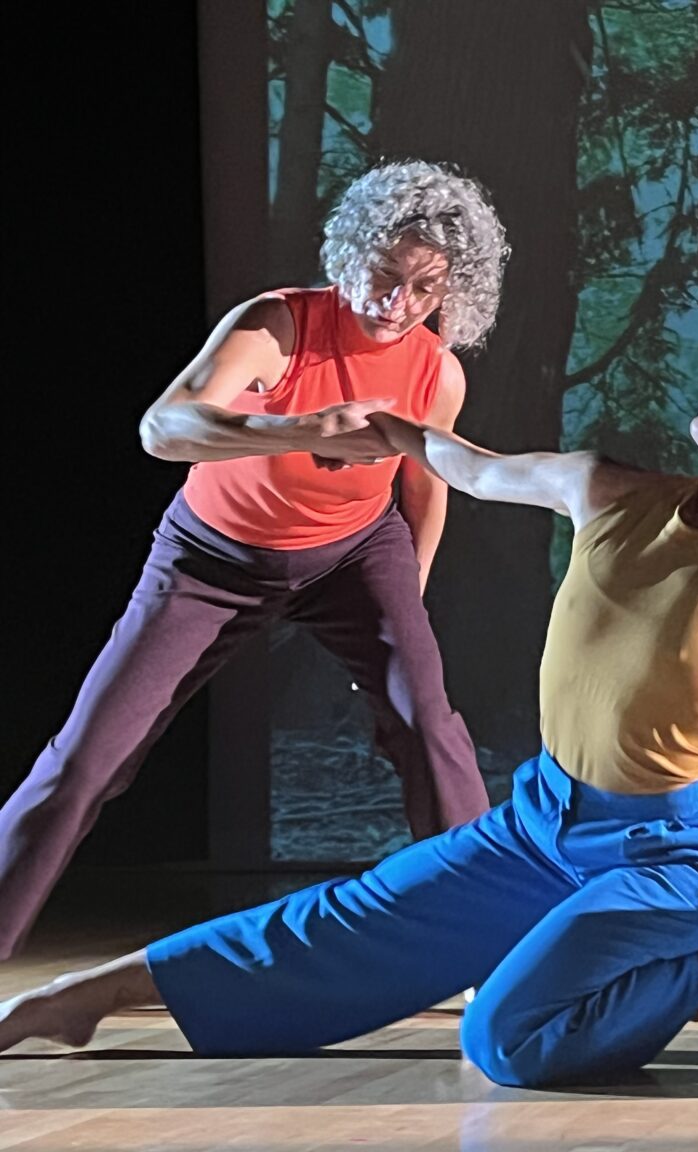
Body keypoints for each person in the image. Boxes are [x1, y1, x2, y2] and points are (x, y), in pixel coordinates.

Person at [0, 167, 698, 1089]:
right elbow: (473, 468)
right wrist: (378, 428)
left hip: (665, 850)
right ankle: (97, 992)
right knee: (343, 921)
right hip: (541, 818)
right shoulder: (610, 490)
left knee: (507, 1040)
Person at [0, 160, 510, 960]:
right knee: (88, 760)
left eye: (424, 289)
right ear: (352, 254)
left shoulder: (435, 370)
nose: (397, 305)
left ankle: (494, 951)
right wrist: (302, 427)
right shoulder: (278, 324)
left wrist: (404, 607)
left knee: (430, 726)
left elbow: (425, 490)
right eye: (384, 277)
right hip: (211, 560)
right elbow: (162, 430)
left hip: (354, 557)